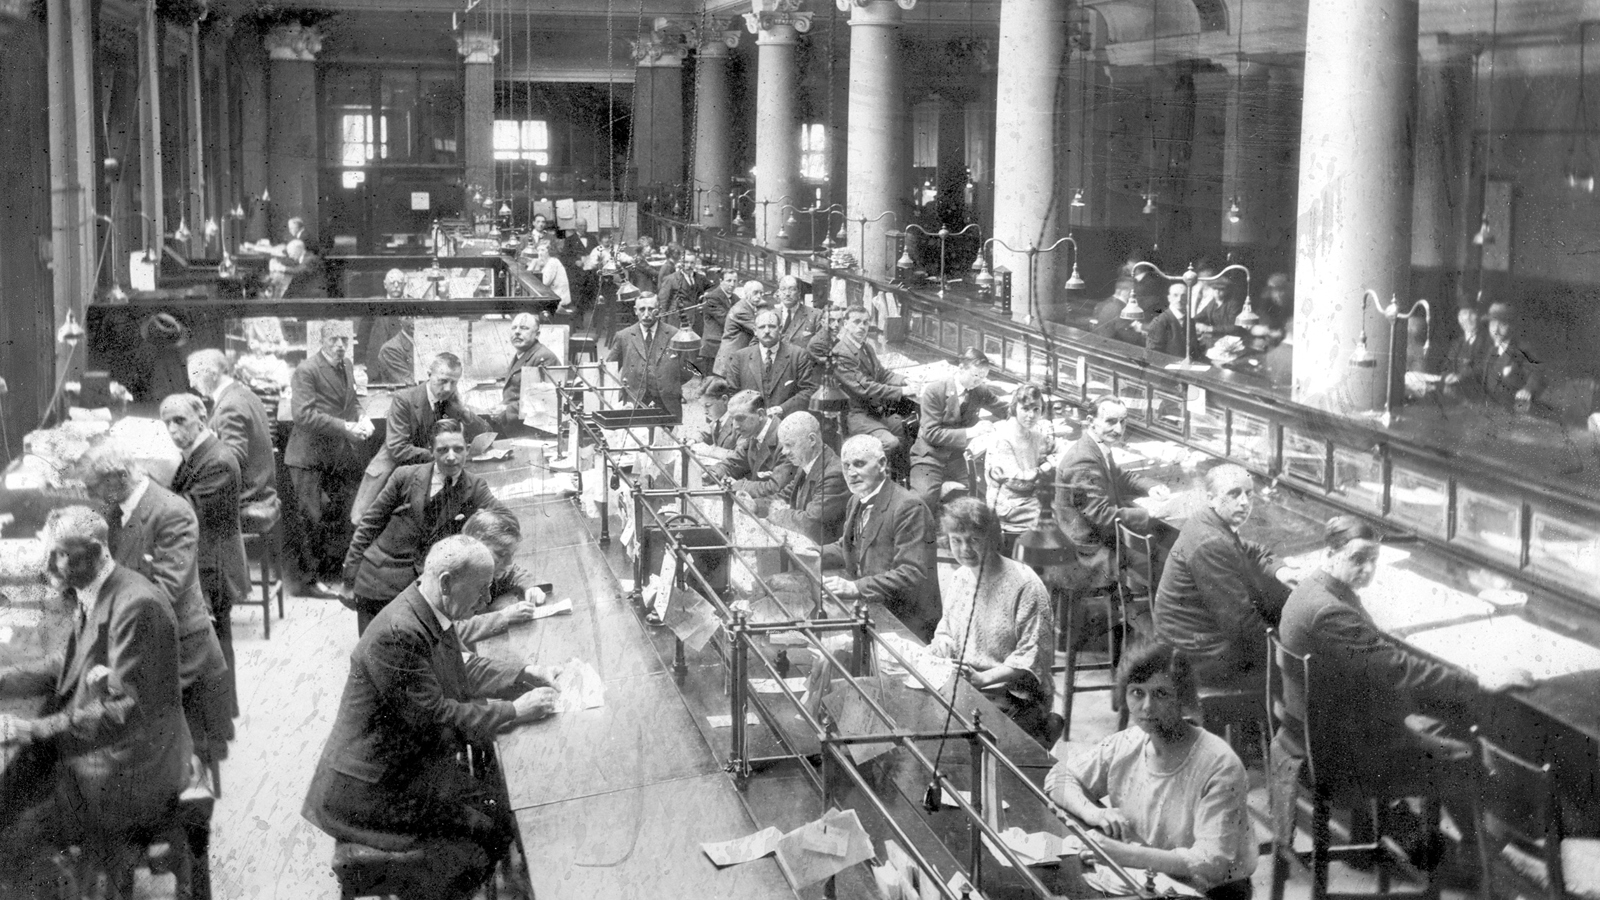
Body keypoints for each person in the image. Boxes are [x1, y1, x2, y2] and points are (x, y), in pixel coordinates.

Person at [304, 536, 560, 899]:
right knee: (483, 840)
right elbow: (438, 716)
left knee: (499, 816)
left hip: (398, 768)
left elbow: (459, 671)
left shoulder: (427, 607)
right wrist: (515, 710)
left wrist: (524, 673)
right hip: (369, 790)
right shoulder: (398, 634)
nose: (487, 599)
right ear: (446, 582)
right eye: (481, 589)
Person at [1274, 516, 1531, 866]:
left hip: (1310, 738)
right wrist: (1476, 680)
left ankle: (1441, 844)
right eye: (1358, 559)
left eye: (1373, 560)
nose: (1367, 569)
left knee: (1442, 719)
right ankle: (1480, 862)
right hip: (1342, 758)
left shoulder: (1311, 590)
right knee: (1461, 755)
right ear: (1330, 554)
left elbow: (1379, 660)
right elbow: (1397, 668)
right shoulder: (1330, 611)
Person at [0, 507, 194, 892]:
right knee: (13, 794)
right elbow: (67, 663)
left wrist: (30, 729)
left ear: (95, 551)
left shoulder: (136, 605)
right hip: (112, 755)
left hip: (133, 771)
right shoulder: (97, 589)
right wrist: (4, 680)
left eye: (61, 554)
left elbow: (119, 712)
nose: (50, 566)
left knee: (14, 838)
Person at [1047, 642, 1258, 899]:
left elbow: (1212, 863)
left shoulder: (1219, 765)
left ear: (1182, 698)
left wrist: (1125, 854)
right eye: (1137, 692)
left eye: (1161, 694)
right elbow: (1058, 778)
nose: (1147, 706)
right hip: (1152, 876)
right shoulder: (1128, 743)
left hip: (1212, 891)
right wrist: (1093, 813)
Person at [77, 444, 233, 764]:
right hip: (138, 635)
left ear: (119, 476)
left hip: (177, 646)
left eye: (93, 487)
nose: (90, 495)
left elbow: (164, 593)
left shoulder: (172, 512)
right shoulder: (115, 509)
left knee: (85, 698)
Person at [343, 419, 509, 634]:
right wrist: (349, 580)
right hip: (380, 579)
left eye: (458, 449)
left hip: (424, 589)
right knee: (376, 647)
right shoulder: (404, 477)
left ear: (467, 449)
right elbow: (368, 526)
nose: (451, 456)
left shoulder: (474, 487)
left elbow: (505, 521)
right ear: (431, 450)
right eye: (443, 450)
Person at [1153, 464, 1294, 695]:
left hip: (1188, 641)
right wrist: (1286, 652)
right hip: (1197, 655)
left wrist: (1280, 569)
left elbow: (1250, 549)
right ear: (1211, 498)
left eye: (1249, 494)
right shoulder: (1210, 541)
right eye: (1234, 494)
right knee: (1304, 670)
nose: (1244, 502)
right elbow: (1240, 624)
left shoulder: (1207, 521)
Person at [927, 498, 1055, 745]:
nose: (965, 549)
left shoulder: (1025, 585)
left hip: (1015, 696)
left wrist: (983, 679)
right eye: (956, 540)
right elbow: (946, 629)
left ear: (992, 538)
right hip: (970, 688)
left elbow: (1034, 655)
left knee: (951, 741)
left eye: (974, 539)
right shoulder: (960, 577)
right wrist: (943, 644)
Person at [162, 393, 249, 725]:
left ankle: (221, 724)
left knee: (215, 647)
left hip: (215, 567)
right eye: (167, 423)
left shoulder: (217, 461)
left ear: (200, 418)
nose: (173, 430)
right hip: (210, 561)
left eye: (180, 421)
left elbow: (187, 511)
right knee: (218, 644)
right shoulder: (198, 454)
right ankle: (224, 717)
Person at [821, 435, 942, 642]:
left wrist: (855, 587)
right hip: (871, 610)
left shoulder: (909, 507)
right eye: (846, 465)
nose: (851, 473)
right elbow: (851, 546)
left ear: (882, 464)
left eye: (859, 464)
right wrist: (813, 552)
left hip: (906, 625)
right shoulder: (856, 500)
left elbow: (912, 573)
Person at [286, 322, 373, 597]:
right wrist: (346, 427)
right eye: (334, 339)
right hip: (307, 455)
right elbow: (303, 415)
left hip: (335, 454)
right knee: (309, 518)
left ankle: (334, 572)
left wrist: (362, 416)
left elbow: (351, 401)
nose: (339, 345)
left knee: (344, 509)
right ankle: (308, 582)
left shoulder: (346, 365)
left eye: (344, 340)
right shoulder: (307, 370)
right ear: (321, 340)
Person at [352, 352, 488, 524]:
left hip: (427, 477)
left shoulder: (451, 402)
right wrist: (441, 456)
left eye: (453, 382)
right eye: (443, 381)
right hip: (392, 474)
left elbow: (485, 432)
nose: (448, 388)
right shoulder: (404, 400)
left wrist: (464, 411)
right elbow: (397, 448)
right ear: (429, 375)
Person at [1056, 397, 1170, 586]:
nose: (1118, 429)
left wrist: (1150, 487)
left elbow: (1120, 477)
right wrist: (1147, 514)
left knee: (1163, 552)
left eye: (1122, 421)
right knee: (1168, 562)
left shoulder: (1095, 446)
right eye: (1111, 421)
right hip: (1088, 551)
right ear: (1091, 421)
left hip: (1096, 538)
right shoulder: (1083, 460)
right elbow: (1100, 514)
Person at [187, 348, 280, 529]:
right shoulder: (246, 395)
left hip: (245, 501)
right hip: (263, 496)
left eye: (195, 375)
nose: (191, 383)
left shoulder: (230, 405)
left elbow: (233, 458)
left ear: (214, 374)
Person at [908, 348, 1008, 514]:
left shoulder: (979, 390)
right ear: (961, 368)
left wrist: (1028, 408)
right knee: (923, 499)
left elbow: (1004, 409)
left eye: (983, 377)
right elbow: (931, 433)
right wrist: (972, 432)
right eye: (975, 375)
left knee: (983, 495)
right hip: (930, 456)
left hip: (957, 458)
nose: (979, 380)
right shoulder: (935, 390)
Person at [832, 304, 917, 460]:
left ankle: (896, 472)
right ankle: (876, 472)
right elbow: (865, 387)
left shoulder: (866, 347)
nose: (862, 327)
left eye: (865, 322)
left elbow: (882, 374)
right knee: (890, 443)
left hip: (874, 411)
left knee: (905, 427)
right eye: (856, 322)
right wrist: (901, 391)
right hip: (857, 416)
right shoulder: (841, 353)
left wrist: (905, 380)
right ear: (845, 324)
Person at [454, 508, 544, 648]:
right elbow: (452, 633)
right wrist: (503, 617)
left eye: (511, 555)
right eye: (501, 554)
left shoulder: (485, 568)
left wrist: (531, 587)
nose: (508, 562)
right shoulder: (454, 580)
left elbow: (512, 571)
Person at [763, 411, 849, 544]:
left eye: (789, 445)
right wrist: (756, 505)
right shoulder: (807, 463)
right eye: (783, 446)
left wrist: (778, 514)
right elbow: (785, 496)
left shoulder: (834, 474)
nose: (784, 452)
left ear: (812, 440)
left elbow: (811, 523)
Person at [986, 383, 1058, 534]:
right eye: (1025, 409)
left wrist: (1051, 459)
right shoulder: (1004, 438)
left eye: (1036, 409)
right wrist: (1045, 468)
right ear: (1014, 409)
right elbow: (1015, 481)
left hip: (1031, 499)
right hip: (1010, 505)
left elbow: (1056, 450)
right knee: (1060, 519)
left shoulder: (1034, 434)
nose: (1031, 415)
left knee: (1067, 510)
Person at [606, 291, 690, 418]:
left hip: (667, 404)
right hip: (632, 403)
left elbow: (687, 370)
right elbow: (609, 369)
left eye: (651, 309)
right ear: (635, 310)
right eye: (642, 309)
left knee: (666, 431)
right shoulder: (623, 336)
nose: (646, 314)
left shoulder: (674, 334)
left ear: (659, 310)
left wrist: (668, 384)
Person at [726, 308, 816, 418]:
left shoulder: (798, 355)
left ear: (780, 329)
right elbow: (732, 394)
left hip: (785, 420)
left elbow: (808, 390)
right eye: (762, 327)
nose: (767, 331)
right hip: (752, 422)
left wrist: (782, 409)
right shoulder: (739, 358)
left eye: (772, 326)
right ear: (755, 330)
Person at [1467, 302, 1545, 411]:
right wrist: (1460, 377)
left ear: (1512, 326)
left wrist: (1527, 389)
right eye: (1492, 324)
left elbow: (1538, 372)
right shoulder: (1492, 350)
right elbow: (1481, 372)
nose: (1496, 330)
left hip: (1513, 409)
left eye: (1502, 324)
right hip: (1491, 407)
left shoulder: (1522, 349)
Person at [714, 390, 794, 497]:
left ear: (760, 414)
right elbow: (735, 463)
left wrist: (741, 486)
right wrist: (715, 472)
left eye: (740, 418)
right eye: (732, 419)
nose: (735, 426)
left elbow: (776, 487)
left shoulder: (784, 442)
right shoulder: (755, 431)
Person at [500, 312, 562, 427]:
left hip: (530, 426)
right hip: (515, 420)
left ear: (537, 334)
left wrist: (505, 410)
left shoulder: (543, 357)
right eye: (514, 328)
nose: (517, 332)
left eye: (524, 328)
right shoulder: (522, 353)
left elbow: (541, 401)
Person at [713, 280, 772, 378]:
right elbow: (760, 330)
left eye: (761, 293)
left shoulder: (747, 306)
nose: (759, 296)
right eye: (755, 293)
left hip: (735, 357)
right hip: (731, 360)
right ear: (746, 293)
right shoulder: (741, 310)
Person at [1146, 282, 1202, 361]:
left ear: (1188, 298)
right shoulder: (1160, 321)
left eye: (1183, 296)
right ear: (1169, 298)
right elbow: (1153, 354)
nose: (1179, 299)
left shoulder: (1190, 321)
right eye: (1175, 295)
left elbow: (1195, 352)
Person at [698, 268, 738, 374]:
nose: (732, 284)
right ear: (721, 281)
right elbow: (726, 320)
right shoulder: (712, 297)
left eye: (735, 281)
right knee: (710, 381)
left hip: (727, 346)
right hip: (713, 347)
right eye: (729, 280)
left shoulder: (735, 298)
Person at [773, 274, 825, 347]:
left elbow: (820, 345)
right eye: (783, 289)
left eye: (792, 289)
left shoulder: (815, 315)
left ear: (799, 292)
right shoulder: (770, 315)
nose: (787, 293)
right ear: (778, 292)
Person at [531, 241, 571, 311]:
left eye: (543, 250)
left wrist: (534, 264)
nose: (540, 253)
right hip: (554, 299)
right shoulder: (548, 263)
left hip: (560, 303)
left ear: (549, 251)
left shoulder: (552, 262)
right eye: (538, 250)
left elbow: (544, 283)